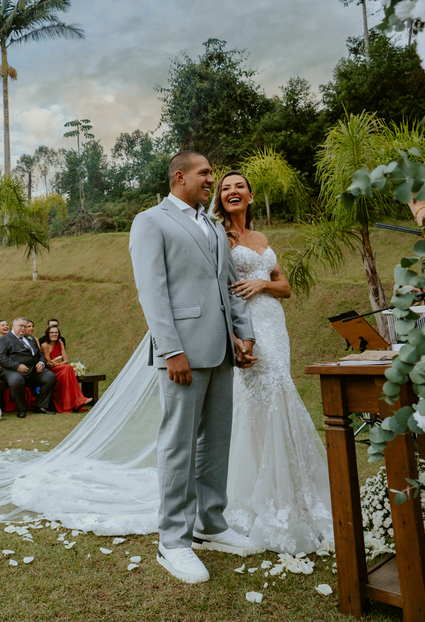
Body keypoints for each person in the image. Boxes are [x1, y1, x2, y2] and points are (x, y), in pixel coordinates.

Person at [129, 150, 258, 582]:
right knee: (179, 445)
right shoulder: (151, 221)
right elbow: (152, 291)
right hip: (181, 353)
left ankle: (210, 523)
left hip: (221, 351)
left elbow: (228, 289)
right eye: (205, 174)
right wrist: (171, 350)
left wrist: (243, 335)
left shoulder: (213, 227)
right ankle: (173, 542)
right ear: (179, 176)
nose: (211, 180)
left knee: (215, 441)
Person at [212, 171, 332, 553]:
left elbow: (286, 288)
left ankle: (291, 489)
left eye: (239, 187)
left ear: (250, 195)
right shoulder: (219, 237)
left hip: (275, 326)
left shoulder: (261, 240)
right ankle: (262, 496)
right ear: (220, 197)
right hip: (248, 328)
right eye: (225, 187)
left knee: (280, 396)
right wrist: (233, 336)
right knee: (264, 401)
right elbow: (216, 288)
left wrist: (263, 283)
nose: (233, 191)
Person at [0, 317, 56, 418]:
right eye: (21, 326)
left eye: (25, 326)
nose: (23, 328)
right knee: (16, 380)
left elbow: (39, 353)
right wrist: (17, 366)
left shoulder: (30, 338)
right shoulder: (3, 339)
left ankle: (41, 406)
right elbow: (1, 357)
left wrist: (41, 362)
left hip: (32, 370)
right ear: (13, 326)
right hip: (12, 370)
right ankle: (21, 409)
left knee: (50, 376)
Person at [39, 324, 89, 413]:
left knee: (68, 368)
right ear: (48, 334)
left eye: (56, 332)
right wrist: (57, 364)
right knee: (68, 368)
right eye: (52, 333)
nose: (54, 334)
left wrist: (59, 364)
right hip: (51, 370)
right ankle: (78, 400)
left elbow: (66, 360)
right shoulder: (44, 345)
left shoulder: (60, 343)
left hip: (61, 367)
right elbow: (49, 363)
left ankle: (76, 402)